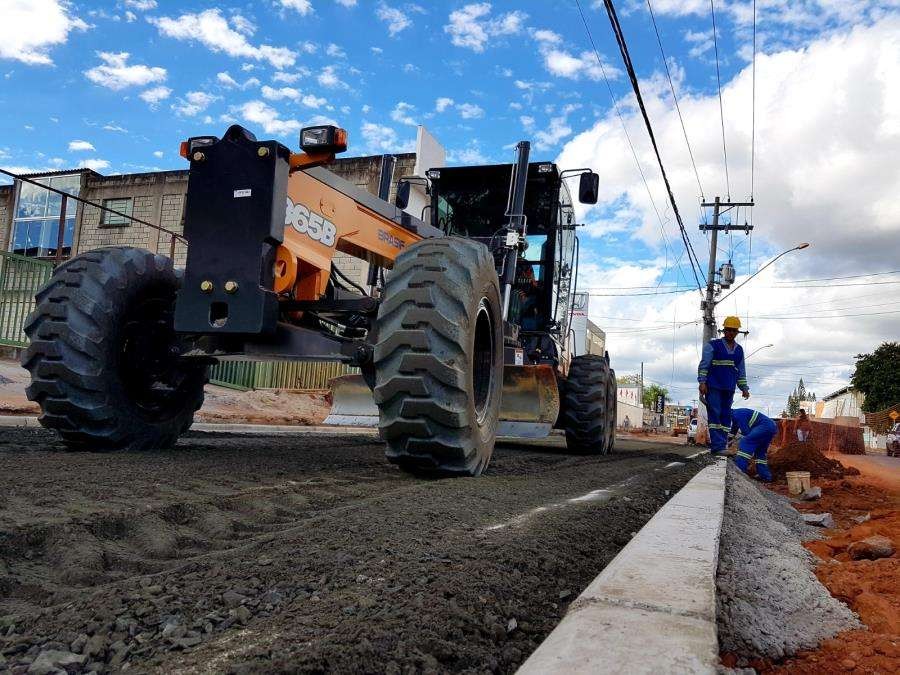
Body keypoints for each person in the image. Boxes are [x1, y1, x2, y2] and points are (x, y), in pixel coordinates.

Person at [697, 316, 750, 455]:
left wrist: (744, 388)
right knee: (715, 415)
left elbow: (741, 371)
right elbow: (704, 365)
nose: (731, 333)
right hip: (713, 386)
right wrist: (702, 382)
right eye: (728, 330)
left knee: (726, 416)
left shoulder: (739, 350)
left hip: (729, 388)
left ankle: (721, 445)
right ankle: (718, 447)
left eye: (734, 330)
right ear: (724, 330)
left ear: (737, 332)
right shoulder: (713, 346)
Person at [729, 408, 776, 482]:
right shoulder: (735, 416)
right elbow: (733, 431)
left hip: (764, 426)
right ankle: (765, 476)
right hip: (771, 427)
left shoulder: (738, 414)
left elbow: (746, 432)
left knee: (746, 441)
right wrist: (728, 441)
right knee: (760, 452)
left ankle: (740, 471)